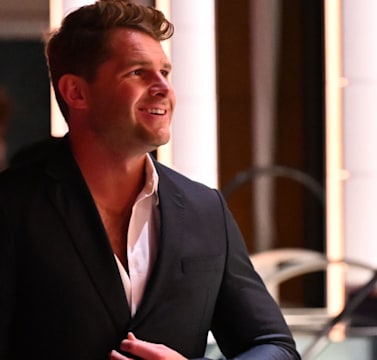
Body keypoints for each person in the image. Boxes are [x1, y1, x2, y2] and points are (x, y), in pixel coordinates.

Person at [0, 1, 300, 359]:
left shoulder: (206, 210)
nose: (162, 88)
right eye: (137, 73)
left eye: (165, 73)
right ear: (76, 92)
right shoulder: (11, 205)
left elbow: (273, 346)